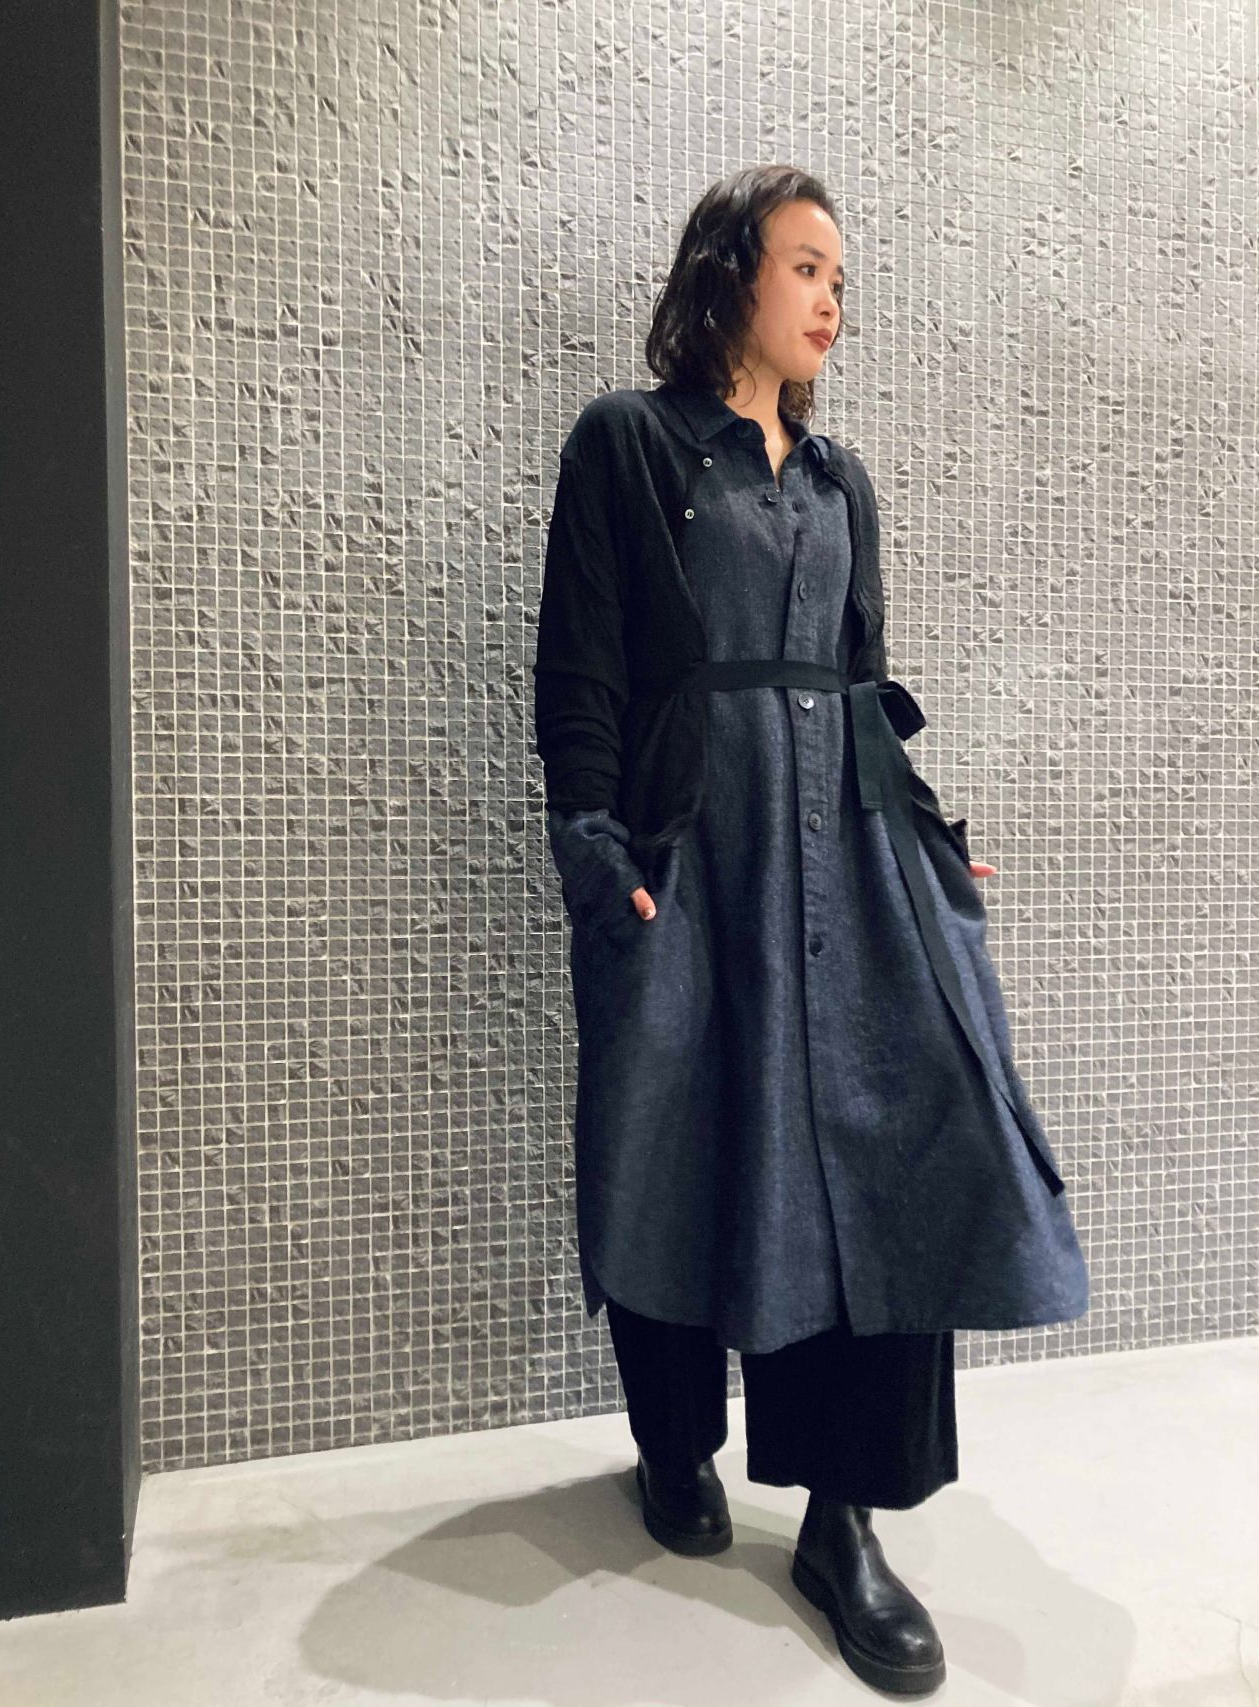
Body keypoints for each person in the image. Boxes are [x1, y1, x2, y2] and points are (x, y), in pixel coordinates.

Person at [532, 165, 1089, 1698]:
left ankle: (846, 1523)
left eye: (843, 277)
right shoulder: (630, 446)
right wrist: (596, 859)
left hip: (845, 864)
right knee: (673, 1143)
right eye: (807, 267)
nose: (833, 299)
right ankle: (673, 1442)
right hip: (688, 863)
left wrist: (927, 841)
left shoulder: (843, 485)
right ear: (730, 276)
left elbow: (862, 683)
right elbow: (581, 676)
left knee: (887, 1157)